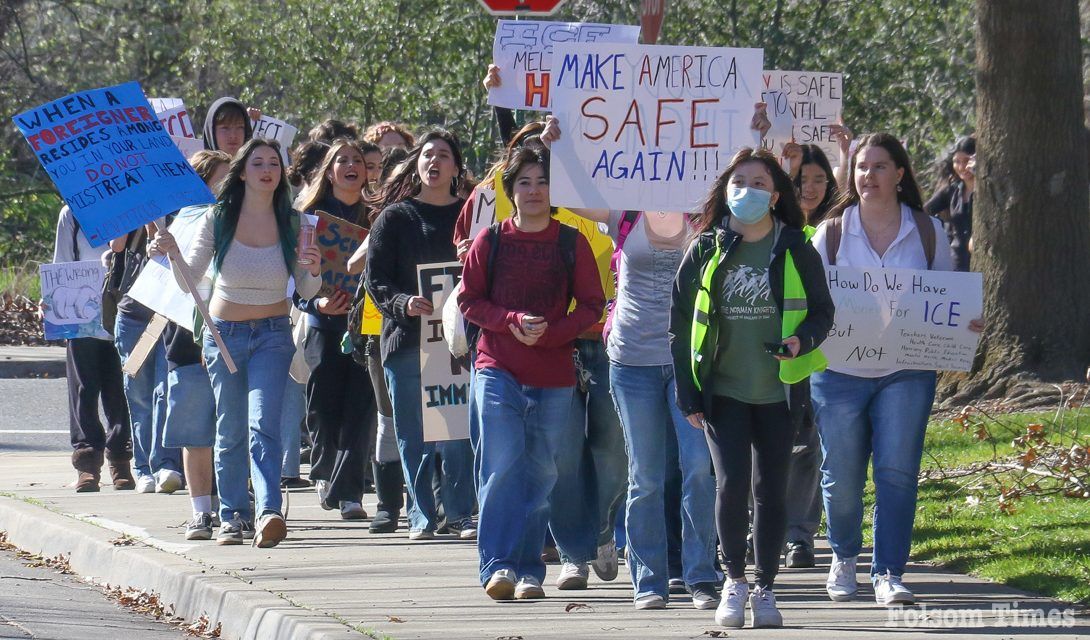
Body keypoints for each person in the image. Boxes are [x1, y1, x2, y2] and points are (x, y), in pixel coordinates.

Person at [539, 108, 774, 610]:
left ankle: (701, 575)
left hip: (694, 361)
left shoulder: (707, 214)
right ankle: (648, 580)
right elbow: (567, 196)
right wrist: (557, 145)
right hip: (632, 360)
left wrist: (755, 133)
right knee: (644, 474)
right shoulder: (623, 210)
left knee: (697, 470)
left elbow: (751, 191)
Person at [810, 133, 983, 606]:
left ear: (900, 174)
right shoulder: (831, 232)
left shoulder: (926, 231)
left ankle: (888, 572)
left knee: (897, 472)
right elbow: (810, 299)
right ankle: (844, 556)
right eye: (862, 167)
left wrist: (966, 323)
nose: (869, 176)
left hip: (907, 371)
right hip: (839, 371)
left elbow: (945, 297)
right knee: (841, 475)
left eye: (880, 167)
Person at [671, 148, 834, 628]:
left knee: (771, 491)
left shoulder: (796, 247)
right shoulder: (704, 247)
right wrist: (688, 391)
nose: (747, 191)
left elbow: (823, 312)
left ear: (776, 194)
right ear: (725, 191)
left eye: (759, 182)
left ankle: (765, 587)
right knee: (731, 484)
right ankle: (733, 581)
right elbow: (680, 321)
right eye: (738, 182)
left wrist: (800, 340)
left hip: (780, 394)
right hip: (722, 392)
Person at [151, 138, 321, 548]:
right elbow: (190, 281)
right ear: (242, 171)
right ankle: (232, 516)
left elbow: (308, 288)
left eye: (274, 164)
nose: (267, 170)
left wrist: (313, 268)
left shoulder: (294, 221)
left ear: (282, 174)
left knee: (264, 423)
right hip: (223, 336)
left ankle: (268, 511)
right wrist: (171, 252)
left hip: (274, 334)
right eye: (258, 162)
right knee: (230, 429)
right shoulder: (218, 217)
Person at [460, 146, 605, 600]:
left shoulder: (570, 241)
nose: (535, 190)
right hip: (497, 367)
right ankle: (497, 565)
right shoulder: (490, 240)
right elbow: (468, 300)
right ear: (511, 190)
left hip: (554, 374)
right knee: (502, 467)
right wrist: (510, 323)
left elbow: (592, 305)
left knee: (541, 474)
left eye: (543, 181)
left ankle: (529, 571)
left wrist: (552, 332)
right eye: (524, 182)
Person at [365, 129, 477, 540]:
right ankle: (421, 517)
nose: (434, 162)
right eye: (427, 154)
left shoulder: (471, 216)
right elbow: (375, 279)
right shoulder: (395, 217)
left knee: (456, 434)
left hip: (457, 346)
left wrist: (475, 258)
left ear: (456, 166)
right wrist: (402, 304)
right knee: (413, 435)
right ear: (416, 163)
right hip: (407, 341)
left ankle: (460, 513)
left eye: (444, 155)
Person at [295, 139, 376, 520]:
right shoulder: (309, 216)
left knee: (360, 407)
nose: (350, 165)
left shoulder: (377, 215)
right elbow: (293, 279)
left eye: (357, 160)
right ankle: (324, 471)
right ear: (329, 172)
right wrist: (317, 303)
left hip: (366, 327)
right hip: (322, 324)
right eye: (341, 160)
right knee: (324, 406)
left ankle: (350, 492)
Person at [155, 150, 231, 540]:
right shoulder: (177, 225)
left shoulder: (245, 220)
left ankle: (234, 505)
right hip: (186, 342)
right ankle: (201, 511)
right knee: (195, 433)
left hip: (233, 336)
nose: (228, 187)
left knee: (232, 430)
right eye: (221, 180)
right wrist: (162, 254)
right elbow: (166, 286)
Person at [50, 206, 133, 492]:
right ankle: (87, 463)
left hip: (126, 307)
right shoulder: (71, 214)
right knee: (84, 388)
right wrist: (52, 306)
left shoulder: (137, 209)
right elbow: (61, 263)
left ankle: (121, 461)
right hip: (81, 311)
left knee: (121, 386)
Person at [925, 136, 976, 271]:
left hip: (982, 258)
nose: (961, 167)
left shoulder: (989, 190)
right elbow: (924, 211)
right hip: (957, 262)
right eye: (956, 161)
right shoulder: (952, 190)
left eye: (966, 161)